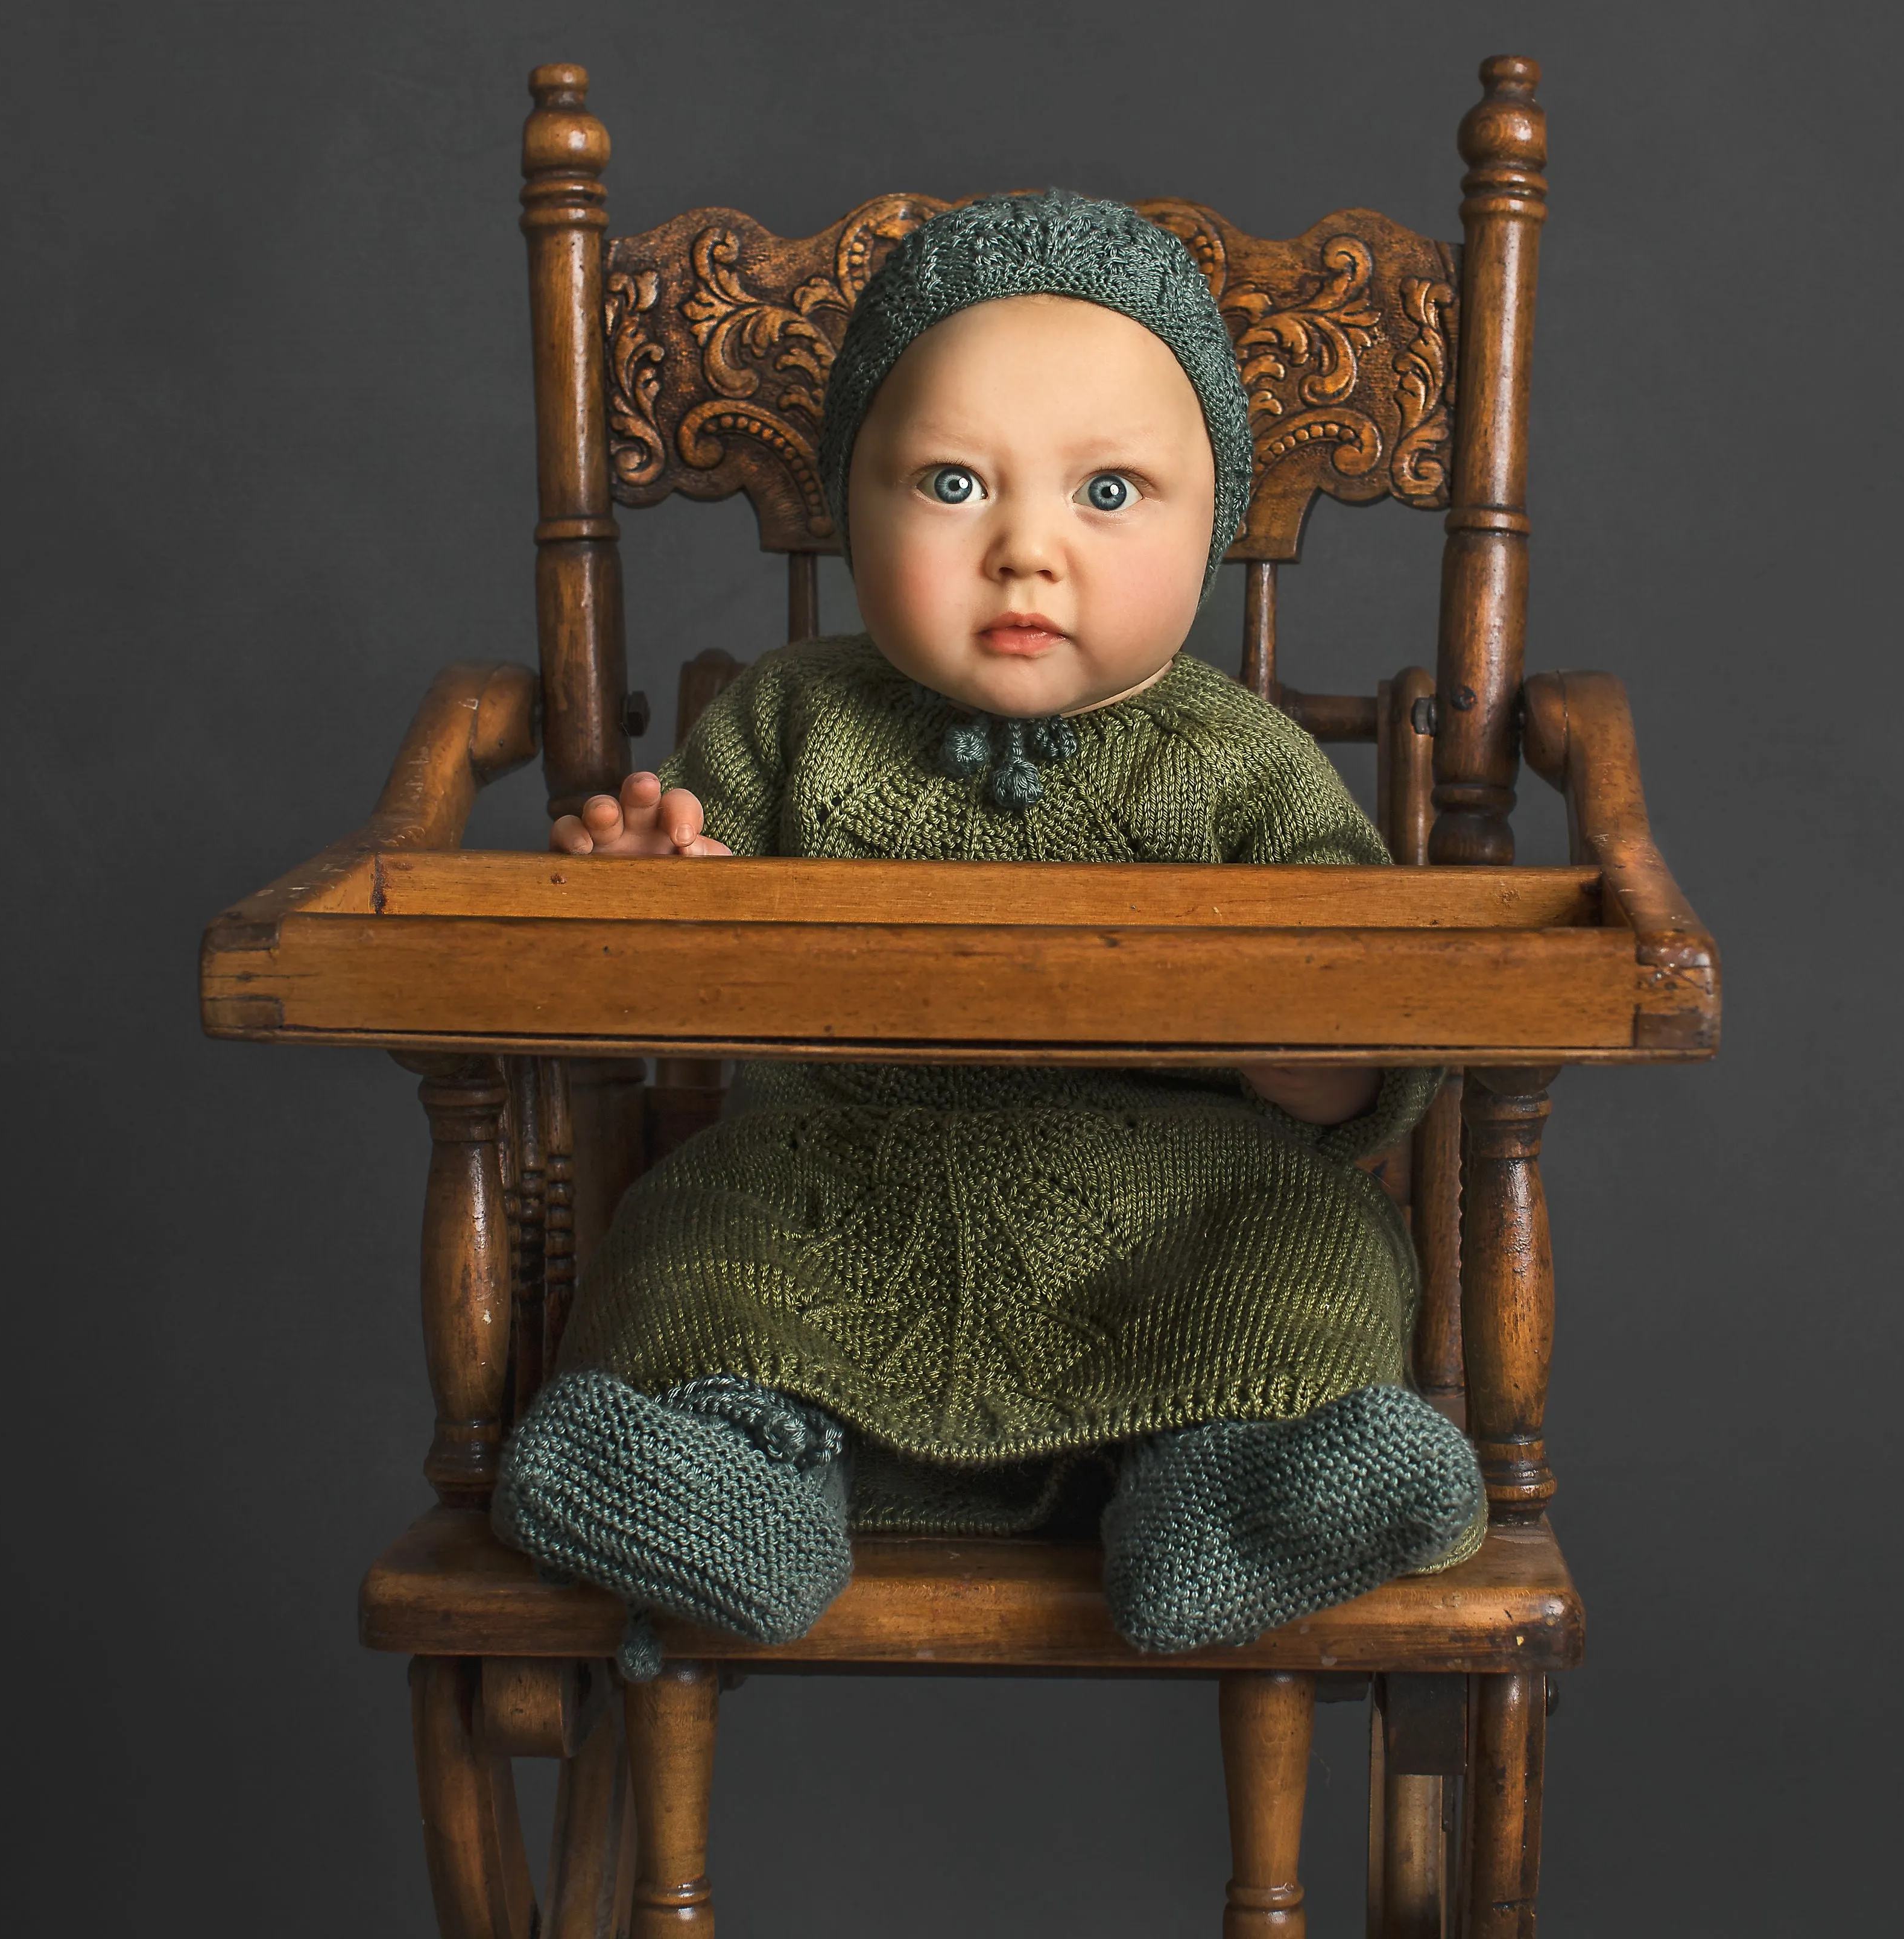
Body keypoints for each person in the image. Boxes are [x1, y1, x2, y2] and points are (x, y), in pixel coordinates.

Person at [495, 191, 1485, 1669]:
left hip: (1171, 1202)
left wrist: (1308, 1040)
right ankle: (739, 1472)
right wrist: (648, 892)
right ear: (854, 501)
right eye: (952, 485)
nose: (1024, 552)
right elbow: (660, 1007)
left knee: (1313, 1253)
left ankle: (1217, 1482)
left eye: (1107, 495)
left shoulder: (1239, 762)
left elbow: (1359, 1063)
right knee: (692, 1239)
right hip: (836, 1175)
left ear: (1210, 522)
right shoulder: (787, 722)